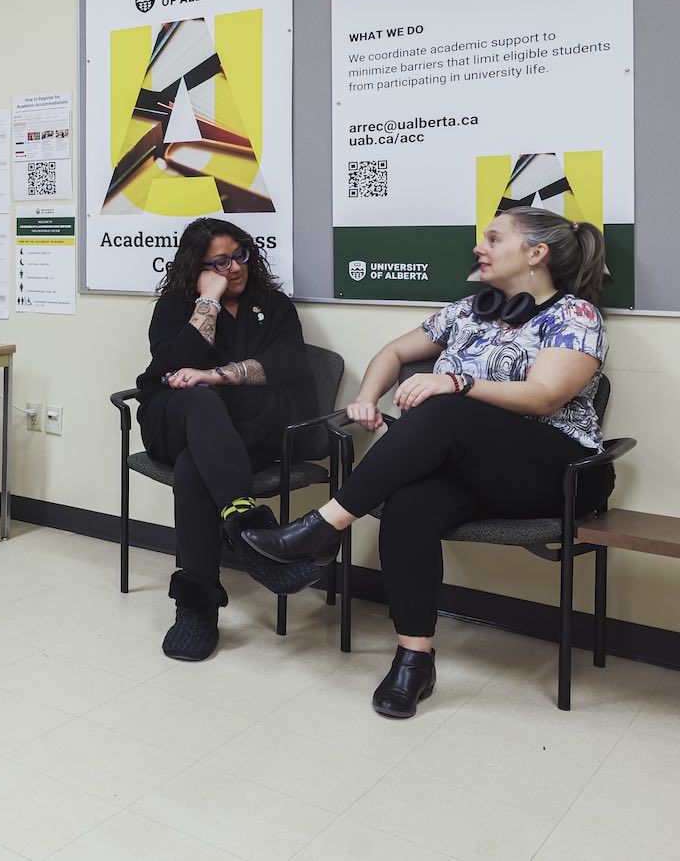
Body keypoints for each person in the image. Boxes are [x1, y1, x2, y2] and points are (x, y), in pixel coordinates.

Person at [244, 207, 611, 718]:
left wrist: (456, 382)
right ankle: (414, 659)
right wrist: (366, 399)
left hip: (559, 472)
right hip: (476, 471)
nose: (479, 247)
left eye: (493, 238)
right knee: (409, 504)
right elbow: (394, 353)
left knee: (445, 409)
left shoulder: (575, 317)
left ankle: (322, 528)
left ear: (536, 253)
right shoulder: (468, 311)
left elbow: (545, 395)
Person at [135, 218, 322, 662]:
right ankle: (256, 537)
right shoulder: (175, 306)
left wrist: (218, 375)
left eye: (240, 256)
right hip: (176, 419)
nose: (235, 267)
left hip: (247, 430)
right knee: (199, 402)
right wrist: (208, 302)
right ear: (196, 267)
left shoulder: (273, 305)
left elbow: (290, 364)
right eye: (220, 262)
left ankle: (195, 610)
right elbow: (172, 364)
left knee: (193, 466)